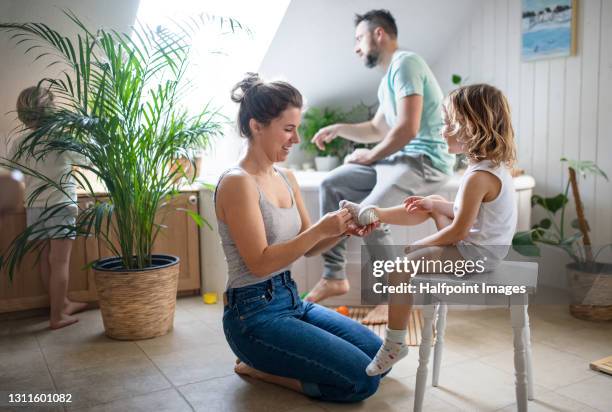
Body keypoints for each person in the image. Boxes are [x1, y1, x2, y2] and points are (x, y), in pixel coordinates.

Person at [215, 73, 385, 402]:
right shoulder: (238, 183)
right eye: (288, 129)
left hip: (291, 300)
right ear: (256, 126)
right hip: (252, 316)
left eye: (297, 128)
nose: (296, 139)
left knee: (380, 358)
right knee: (362, 383)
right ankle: (260, 369)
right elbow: (260, 262)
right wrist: (322, 228)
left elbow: (311, 246)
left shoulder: (287, 176)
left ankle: (277, 363)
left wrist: (342, 231)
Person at [354, 84, 518, 375]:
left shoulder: (478, 177)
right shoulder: (491, 167)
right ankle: (374, 213)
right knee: (435, 203)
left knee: (400, 269)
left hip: (476, 256)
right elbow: (465, 215)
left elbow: (456, 232)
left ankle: (394, 345)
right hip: (480, 247)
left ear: (472, 126)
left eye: (448, 123)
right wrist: (434, 204)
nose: (443, 131)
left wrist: (417, 246)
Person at [305, 10, 455, 326]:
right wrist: (339, 128)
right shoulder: (388, 78)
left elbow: (408, 128)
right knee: (332, 184)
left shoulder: (407, 63)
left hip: (423, 161)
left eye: (359, 39)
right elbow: (377, 128)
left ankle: (394, 297)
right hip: (395, 161)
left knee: (370, 212)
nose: (356, 48)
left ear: (379, 34)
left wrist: (371, 156)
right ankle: (334, 276)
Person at [11, 86, 88, 329]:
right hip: (60, 205)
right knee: (60, 262)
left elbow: (17, 173)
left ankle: (62, 303)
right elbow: (86, 159)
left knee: (46, 258)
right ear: (51, 109)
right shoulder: (60, 137)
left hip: (35, 205)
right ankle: (57, 317)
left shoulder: (19, 141)